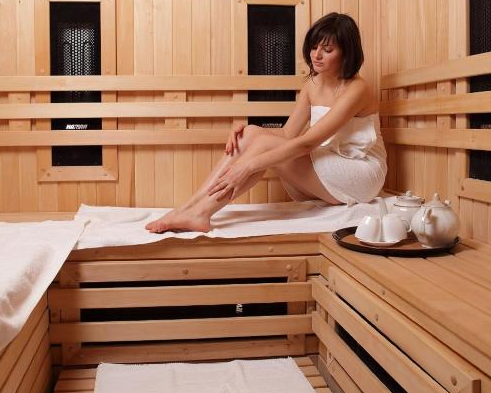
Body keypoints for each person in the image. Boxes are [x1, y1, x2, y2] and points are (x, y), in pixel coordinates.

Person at [145, 12, 387, 233]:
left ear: (347, 53)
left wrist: (247, 166)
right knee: (251, 134)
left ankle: (201, 212)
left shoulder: (357, 89)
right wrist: (249, 132)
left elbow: (306, 144)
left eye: (328, 49)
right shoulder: (313, 84)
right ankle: (189, 208)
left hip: (360, 173)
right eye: (314, 47)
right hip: (326, 164)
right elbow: (288, 134)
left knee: (261, 145)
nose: (316, 55)